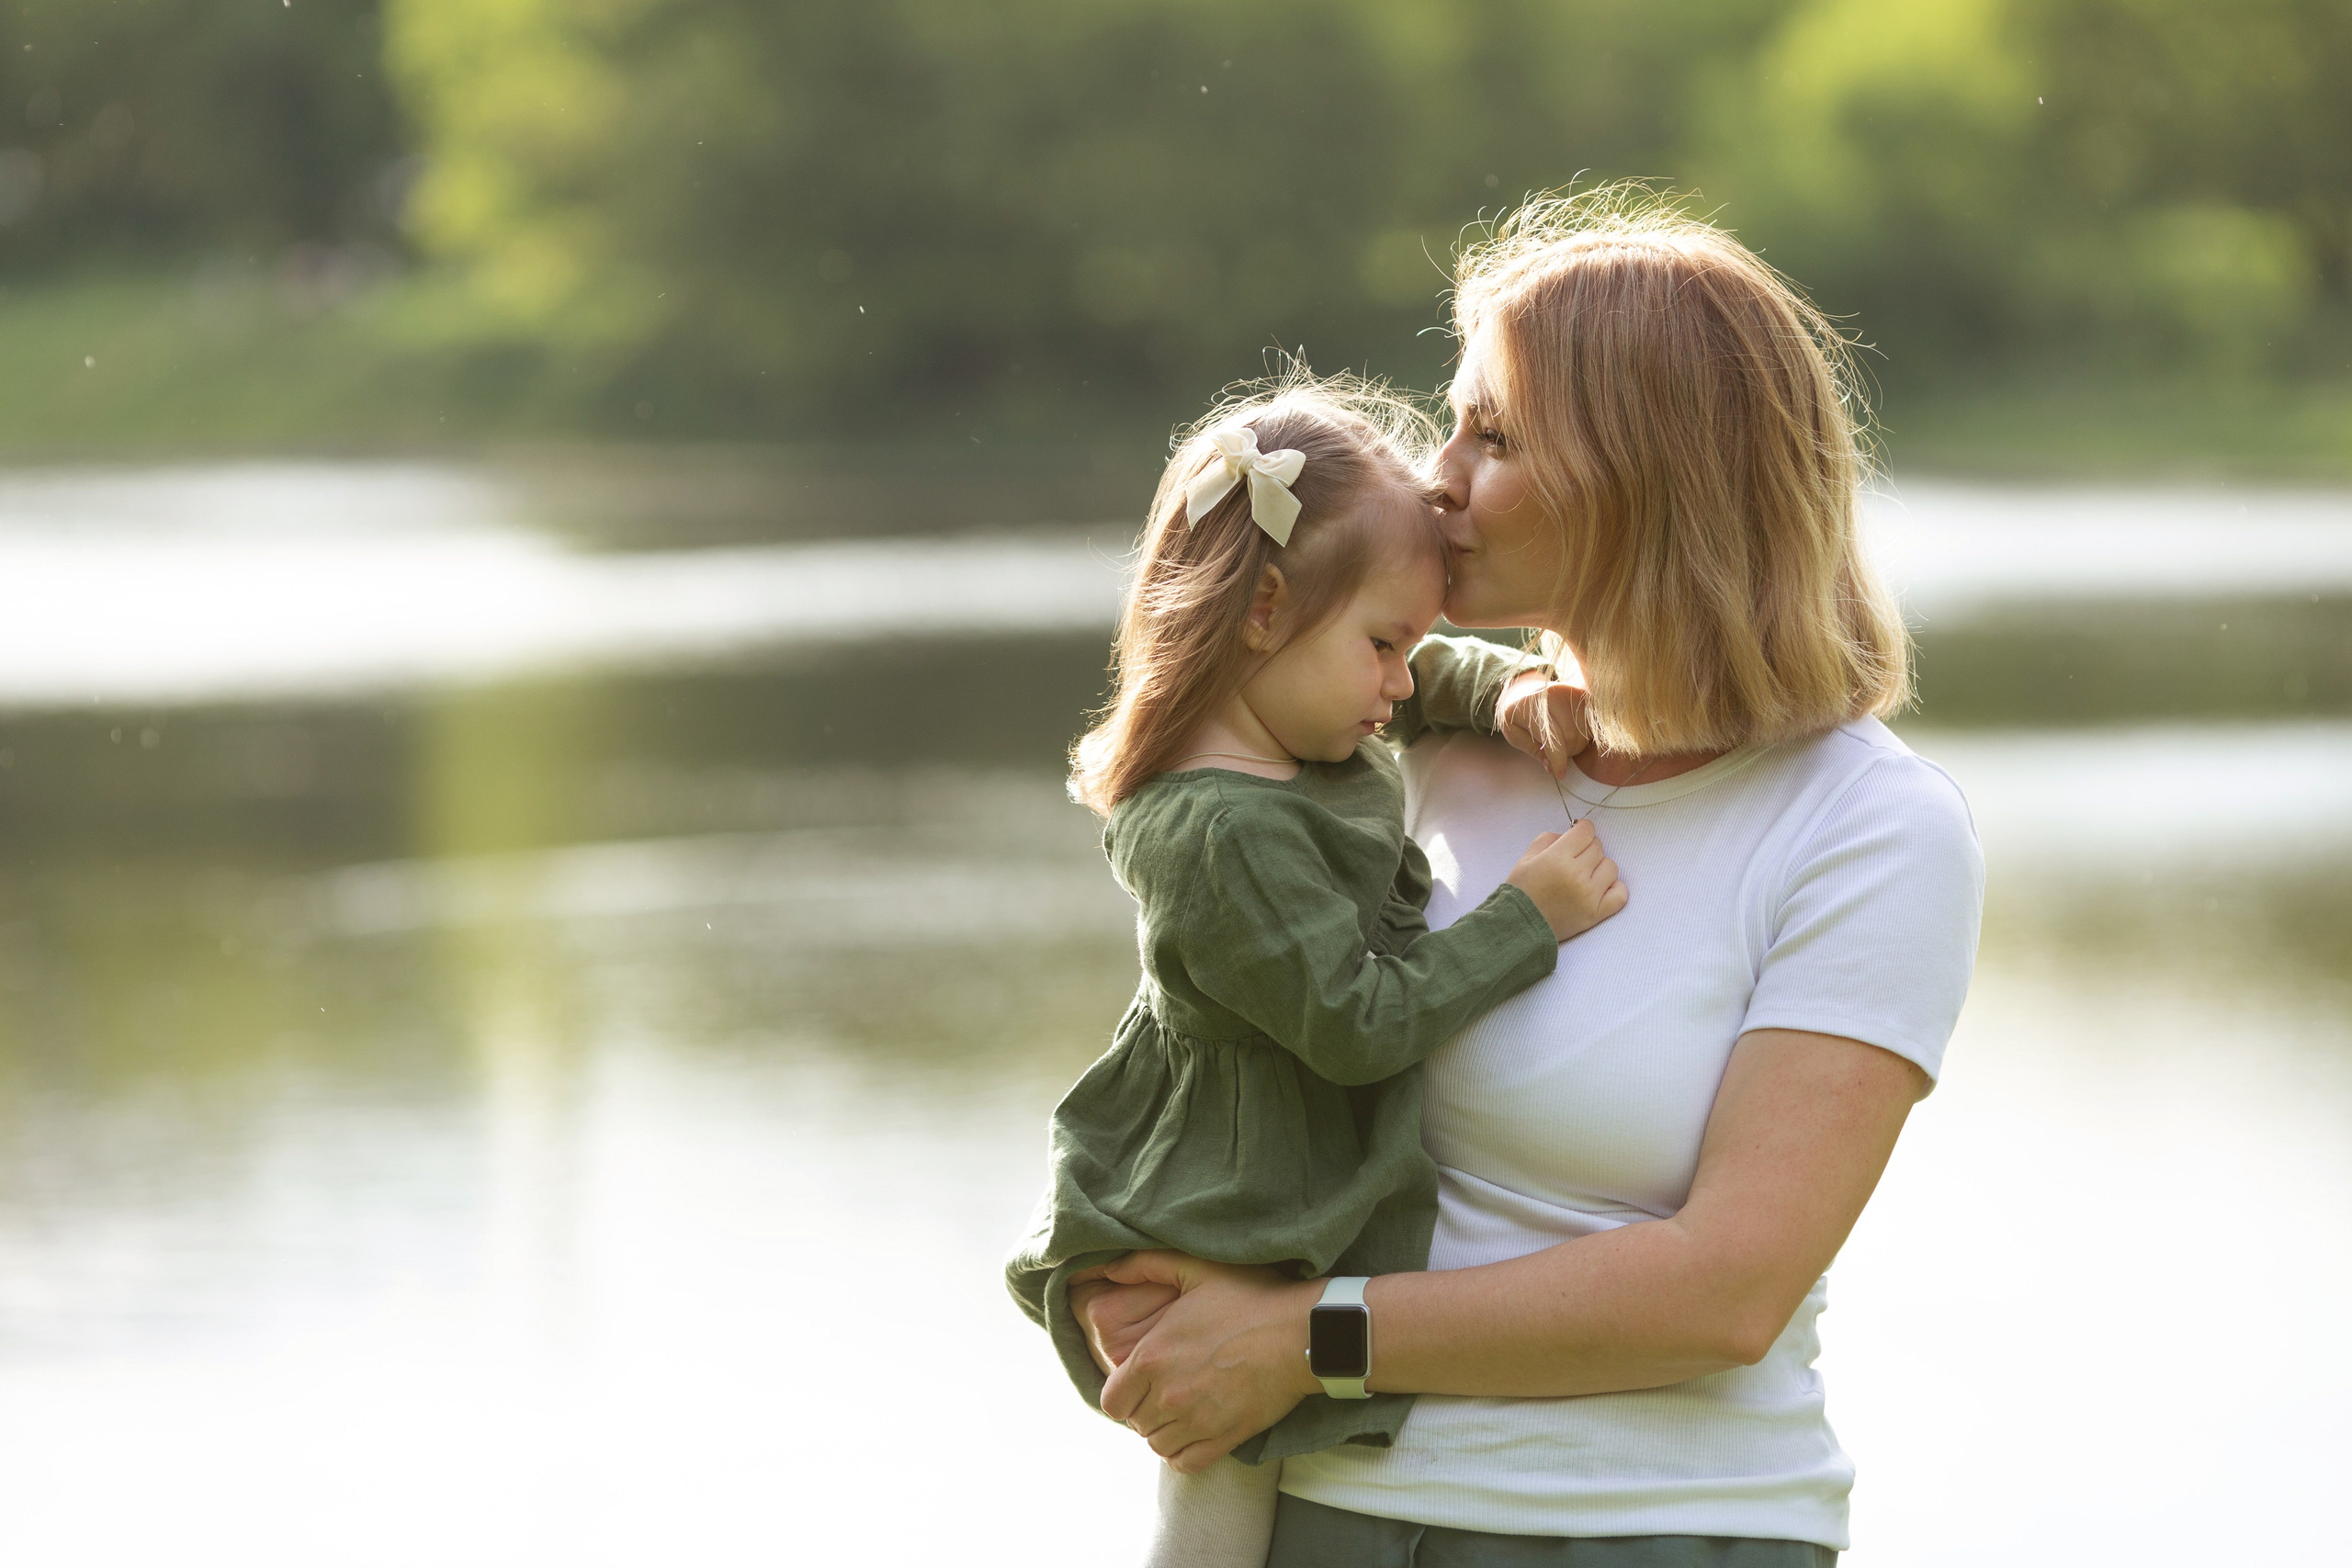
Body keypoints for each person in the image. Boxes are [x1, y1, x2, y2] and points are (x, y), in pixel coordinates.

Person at [1067, 189, 1986, 1566]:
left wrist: (1305, 1340)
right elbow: (1213, 1051)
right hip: (1329, 1517)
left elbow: (1724, 1294)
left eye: (1491, 435)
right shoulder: (1397, 738)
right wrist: (1123, 1286)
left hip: (1656, 1532)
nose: (1437, 478)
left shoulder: (1866, 829)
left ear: (1647, 473)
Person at [1005, 378, 1629, 1568]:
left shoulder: (1298, 714)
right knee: (1217, 1470)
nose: (1403, 680)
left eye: (1414, 644)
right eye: (1386, 646)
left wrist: (1499, 691)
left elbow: (1419, 682)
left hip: (1287, 1173)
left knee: (1271, 1456)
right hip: (1226, 1192)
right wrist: (1524, 919)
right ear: (1265, 611)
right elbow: (1353, 1023)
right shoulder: (1215, 827)